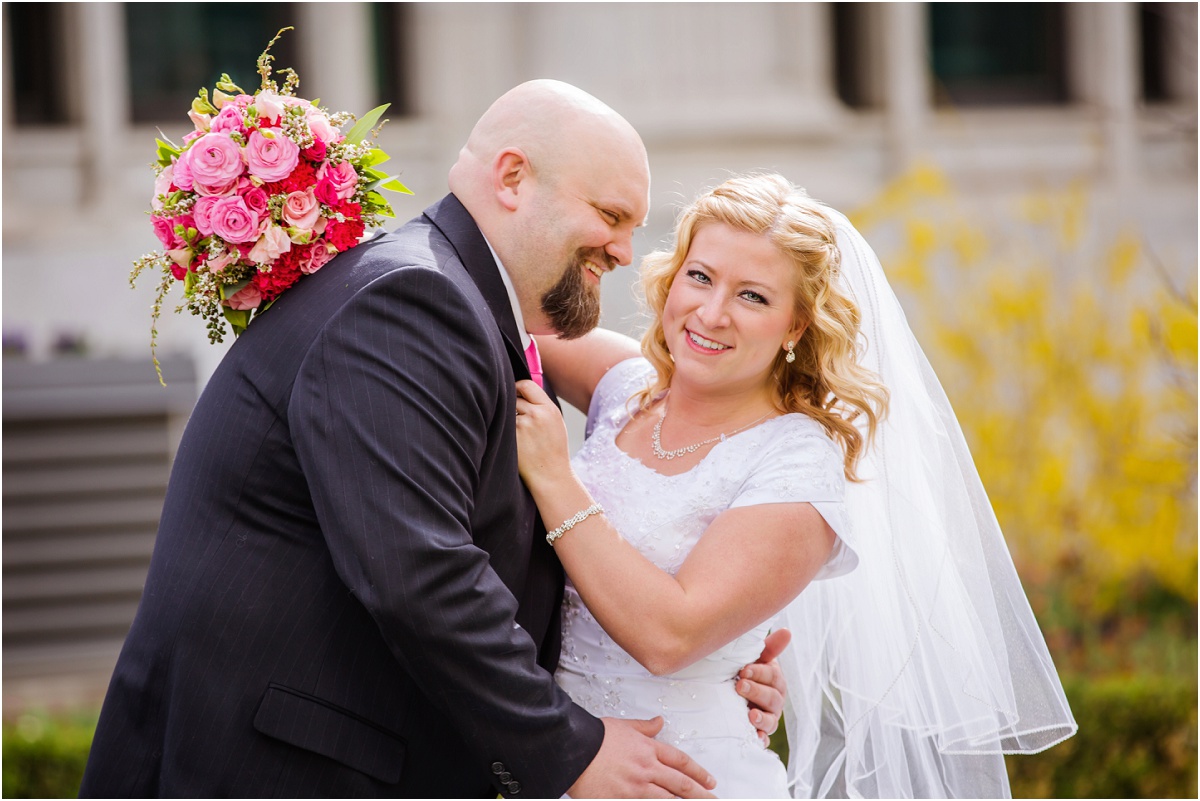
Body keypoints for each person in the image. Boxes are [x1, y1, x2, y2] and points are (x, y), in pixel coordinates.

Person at [79, 81, 787, 798]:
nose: (628, 251)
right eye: (609, 215)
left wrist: (716, 671)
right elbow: (419, 572)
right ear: (512, 178)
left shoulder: (456, 297)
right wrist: (567, 749)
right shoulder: (413, 301)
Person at [514, 173, 1077, 798]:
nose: (711, 312)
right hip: (557, 757)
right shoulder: (624, 389)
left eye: (752, 296)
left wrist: (554, 478)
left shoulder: (797, 464)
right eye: (699, 276)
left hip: (686, 778)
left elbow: (669, 637)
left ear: (796, 327)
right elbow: (479, 312)